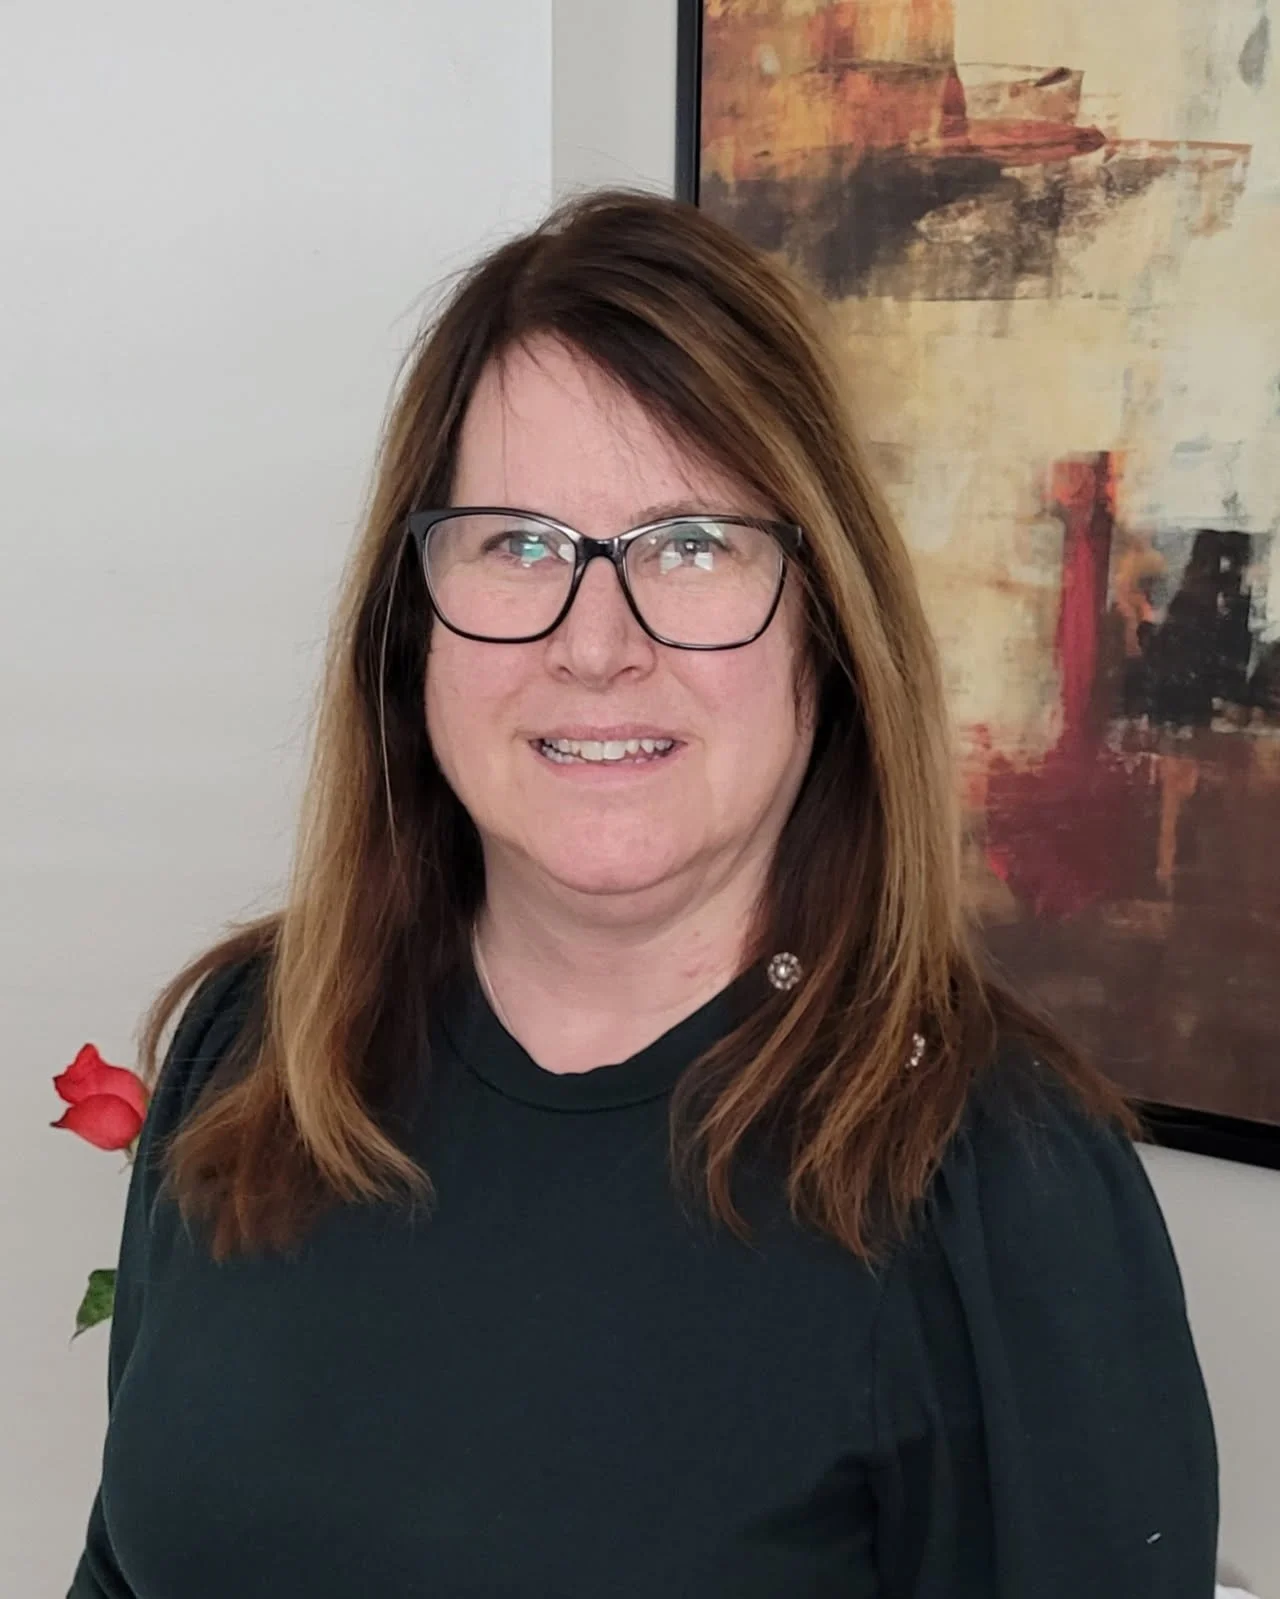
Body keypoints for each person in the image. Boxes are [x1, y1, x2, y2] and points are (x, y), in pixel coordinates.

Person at [69, 189, 1217, 1598]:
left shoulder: (999, 1184)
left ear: (826, 623)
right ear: (412, 621)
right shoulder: (252, 1042)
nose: (597, 644)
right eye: (518, 544)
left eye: (692, 543)